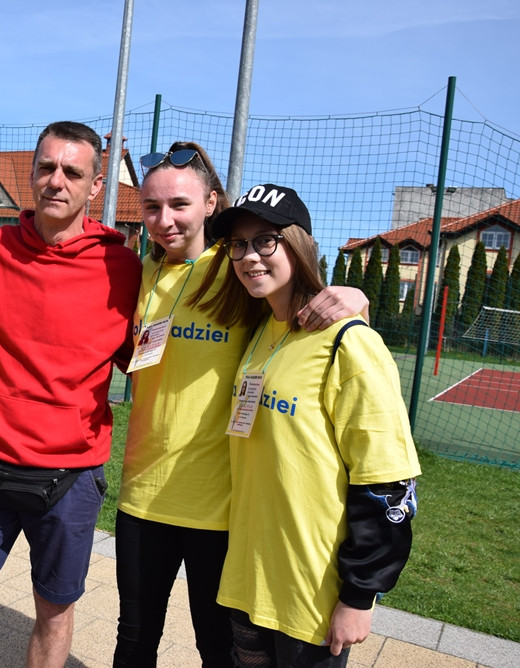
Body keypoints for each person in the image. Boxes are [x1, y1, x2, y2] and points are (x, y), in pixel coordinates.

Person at [115, 144, 369, 668]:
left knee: (218, 649)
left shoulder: (236, 268)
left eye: (179, 205)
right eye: (152, 207)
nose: (164, 220)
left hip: (221, 506)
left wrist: (353, 297)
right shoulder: (146, 271)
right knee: (134, 641)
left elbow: (296, 305)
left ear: (210, 203)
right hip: (142, 497)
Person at [0, 121, 141, 668]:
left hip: (72, 474)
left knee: (54, 613)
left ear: (96, 184)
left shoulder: (122, 267)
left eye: (73, 172)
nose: (56, 181)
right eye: (46, 167)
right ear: (33, 174)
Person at [204, 183, 420, 666]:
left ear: (299, 244)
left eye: (266, 240)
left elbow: (388, 481)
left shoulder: (350, 342)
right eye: (238, 244)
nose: (249, 256)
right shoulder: (261, 330)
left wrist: (360, 596)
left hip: (312, 595)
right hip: (249, 579)